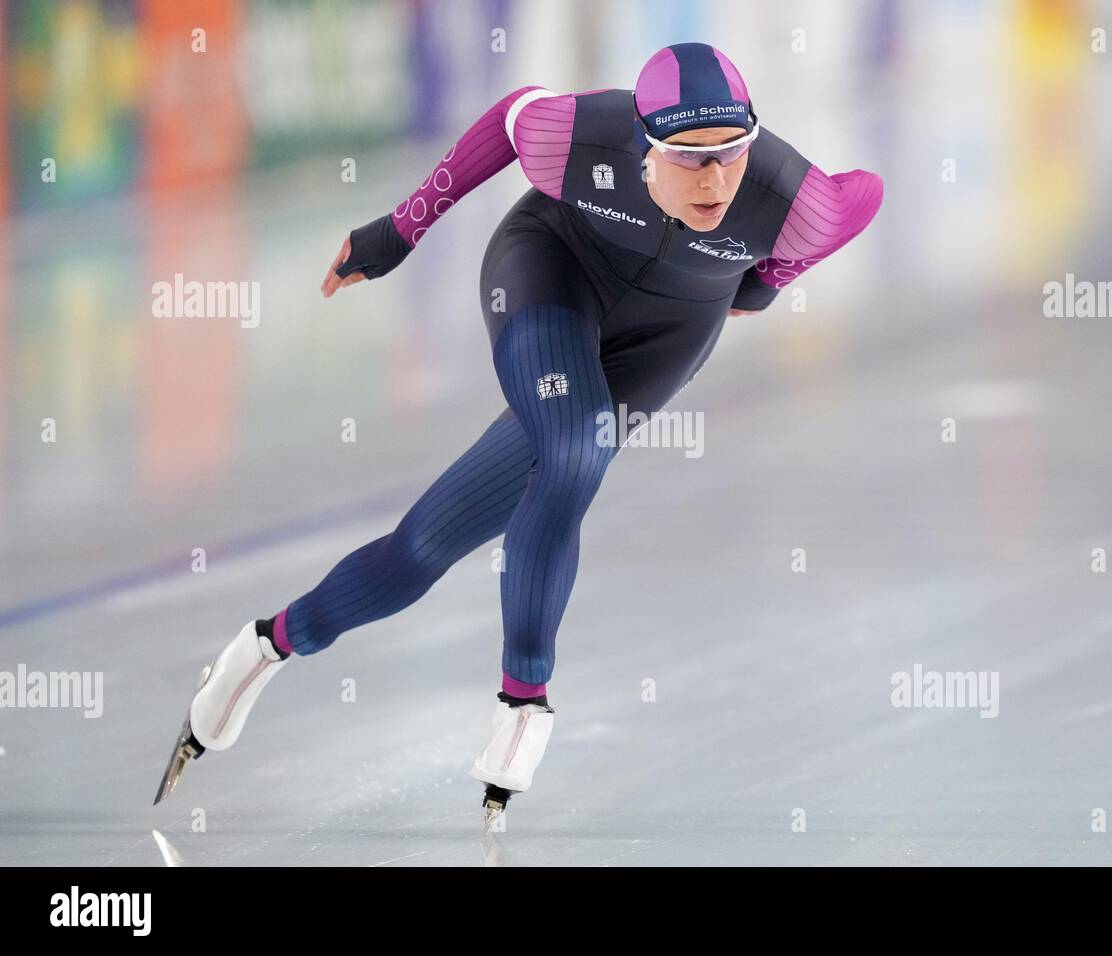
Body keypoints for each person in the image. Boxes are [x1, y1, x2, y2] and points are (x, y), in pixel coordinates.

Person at [155, 42, 884, 826]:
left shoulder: (791, 198)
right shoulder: (582, 137)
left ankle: (264, 646)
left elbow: (864, 195)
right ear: (642, 146)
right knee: (577, 445)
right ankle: (524, 700)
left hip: (668, 335)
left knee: (421, 550)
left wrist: (768, 283)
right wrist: (397, 233)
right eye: (688, 157)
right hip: (551, 273)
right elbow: (507, 120)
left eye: (730, 154)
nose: (714, 179)